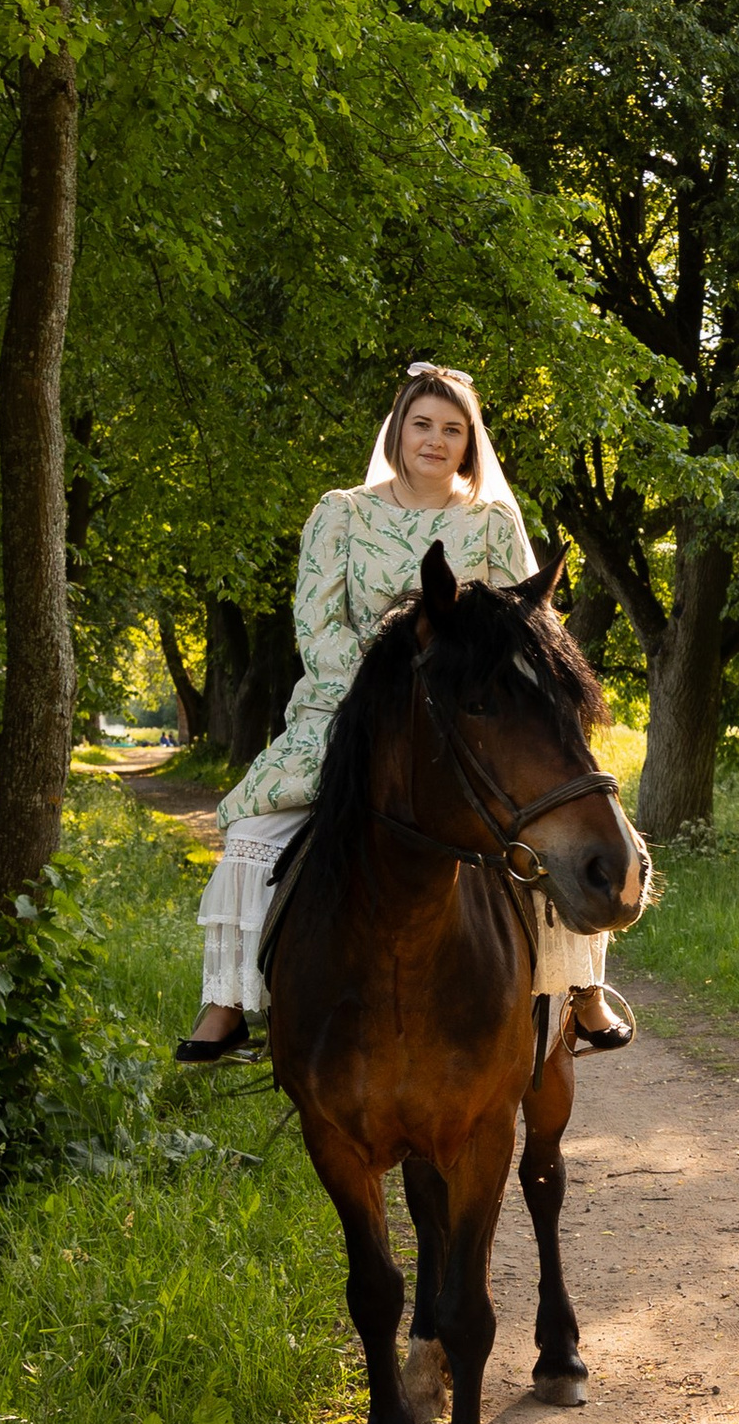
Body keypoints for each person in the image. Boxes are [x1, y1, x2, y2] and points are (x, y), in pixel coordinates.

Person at [177, 364, 630, 1063]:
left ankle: (579, 990)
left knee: (548, 816)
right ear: (397, 431)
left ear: (470, 443)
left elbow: (528, 625)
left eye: (454, 429)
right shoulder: (342, 513)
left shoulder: (491, 521)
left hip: (472, 713)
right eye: (422, 424)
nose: (436, 440)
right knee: (252, 830)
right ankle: (230, 1003)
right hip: (352, 707)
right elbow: (317, 626)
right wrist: (384, 688)